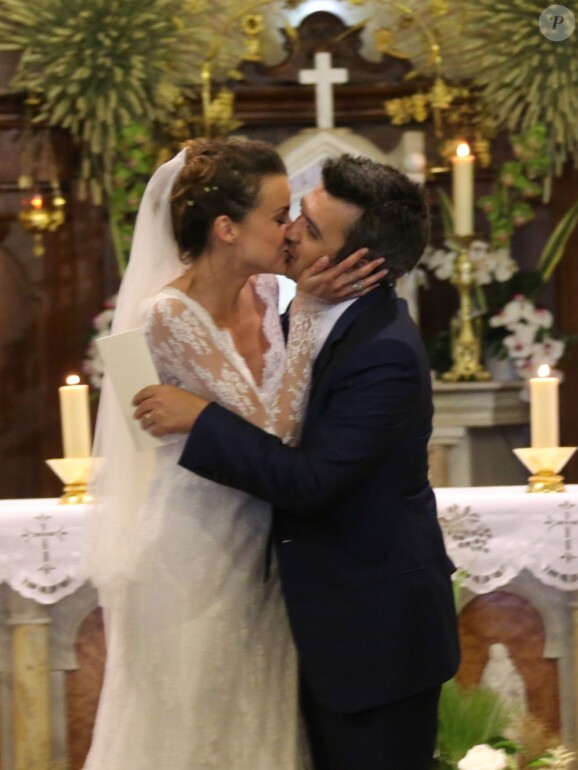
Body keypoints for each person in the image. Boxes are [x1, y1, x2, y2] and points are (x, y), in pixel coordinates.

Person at [134, 154, 461, 770]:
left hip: (372, 639)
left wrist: (198, 418)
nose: (288, 231)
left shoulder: (382, 352)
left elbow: (308, 482)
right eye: (291, 215)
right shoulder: (292, 310)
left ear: (356, 262)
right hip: (291, 611)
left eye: (306, 227)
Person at [83, 139, 384, 770]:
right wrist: (306, 315)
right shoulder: (167, 314)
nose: (291, 232)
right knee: (192, 729)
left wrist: (297, 308)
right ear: (226, 228)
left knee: (260, 728)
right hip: (192, 550)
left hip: (268, 550)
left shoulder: (270, 293)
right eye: (278, 217)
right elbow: (273, 429)